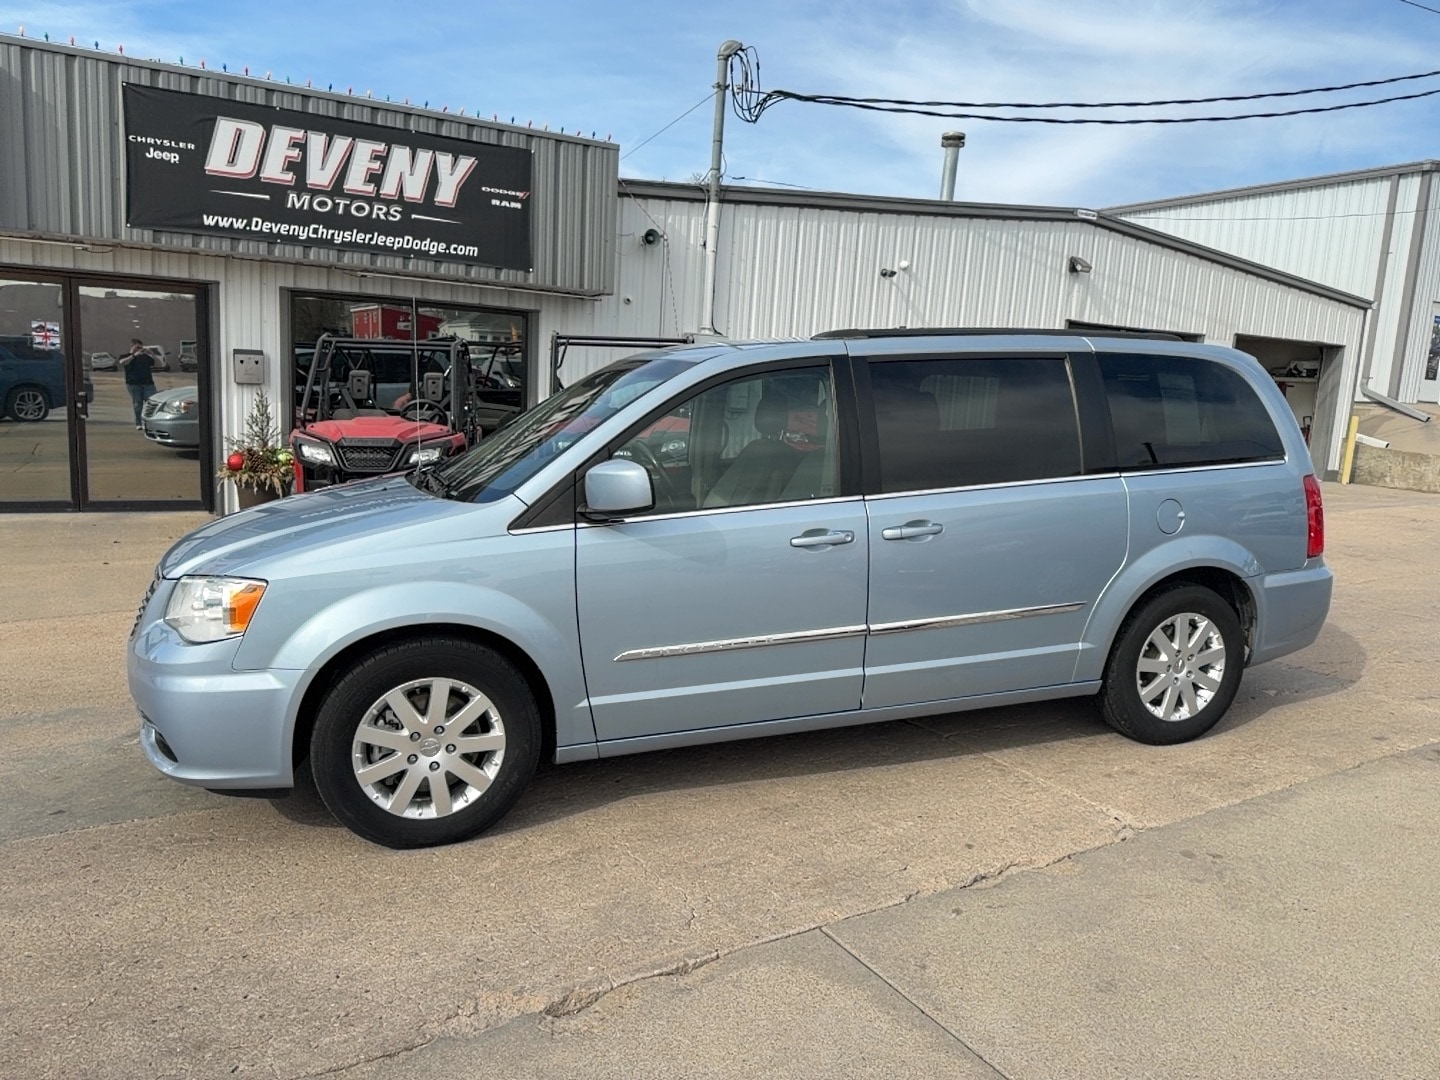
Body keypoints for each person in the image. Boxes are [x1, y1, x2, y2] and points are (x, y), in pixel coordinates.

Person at [119, 338, 156, 428]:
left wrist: (151, 353)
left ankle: (149, 422)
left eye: (141, 347)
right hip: (133, 384)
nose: (139, 349)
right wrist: (133, 354)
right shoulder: (125, 356)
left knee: (151, 402)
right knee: (138, 404)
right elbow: (122, 363)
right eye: (137, 347)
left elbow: (156, 363)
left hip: (148, 384)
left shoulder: (145, 357)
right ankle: (138, 423)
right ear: (131, 346)